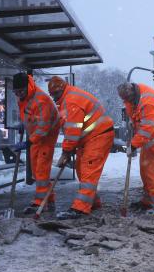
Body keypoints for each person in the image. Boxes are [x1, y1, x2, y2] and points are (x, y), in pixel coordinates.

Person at [47, 76, 115, 220]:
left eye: (54, 95)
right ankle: (93, 202)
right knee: (81, 170)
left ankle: (80, 208)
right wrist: (69, 149)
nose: (53, 98)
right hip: (89, 138)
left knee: (88, 171)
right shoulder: (67, 99)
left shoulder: (71, 101)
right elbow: (72, 129)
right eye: (51, 95)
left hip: (98, 136)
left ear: (61, 90)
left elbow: (73, 130)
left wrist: (66, 152)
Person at [117, 82, 154, 216]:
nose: (126, 102)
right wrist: (133, 123)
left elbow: (146, 130)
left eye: (128, 100)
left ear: (132, 94)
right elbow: (137, 117)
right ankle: (148, 200)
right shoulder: (133, 97)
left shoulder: (148, 102)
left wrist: (132, 145)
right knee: (145, 169)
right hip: (151, 137)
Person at [12, 72, 60, 213]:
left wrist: (28, 142)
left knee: (41, 169)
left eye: (20, 91)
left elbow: (44, 127)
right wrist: (24, 124)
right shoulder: (22, 98)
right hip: (35, 136)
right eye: (16, 91)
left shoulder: (41, 100)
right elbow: (28, 115)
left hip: (47, 135)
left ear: (28, 86)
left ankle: (39, 203)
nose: (18, 94)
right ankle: (49, 200)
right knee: (35, 169)